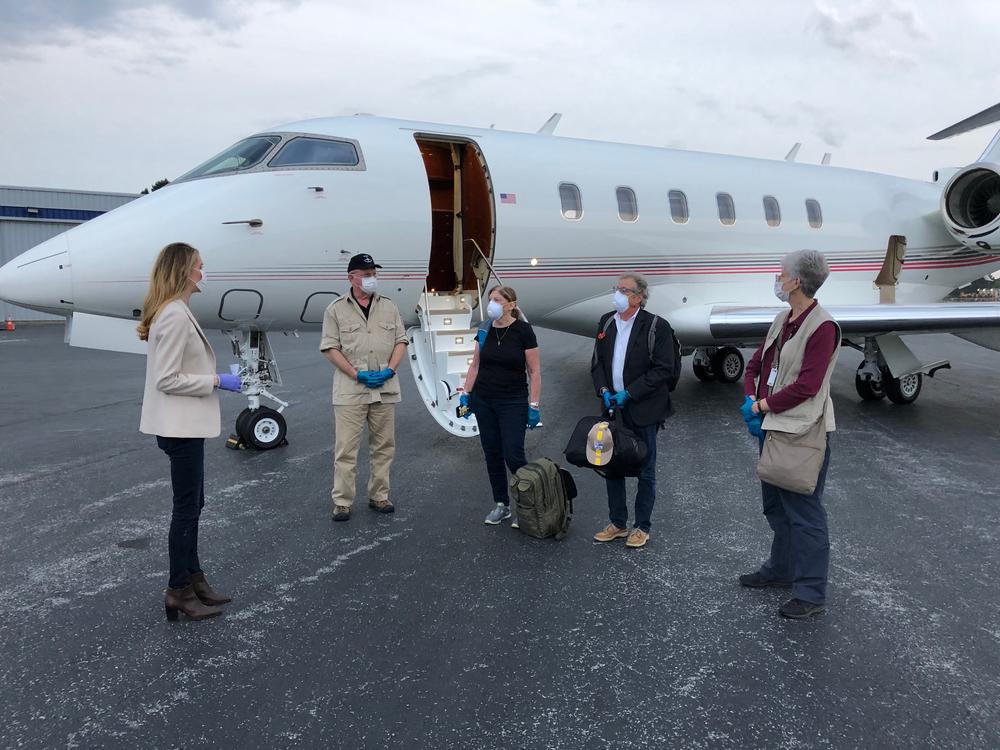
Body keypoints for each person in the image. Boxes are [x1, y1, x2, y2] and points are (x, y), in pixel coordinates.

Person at [138, 242, 241, 622]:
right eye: (199, 266)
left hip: (182, 425)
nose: (203, 271)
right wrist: (217, 379)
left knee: (194, 505)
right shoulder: (175, 315)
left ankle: (195, 580)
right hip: (178, 426)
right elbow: (167, 378)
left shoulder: (175, 311)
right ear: (184, 271)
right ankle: (178, 590)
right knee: (186, 509)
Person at [739, 249, 841, 620]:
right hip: (773, 429)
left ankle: (811, 592)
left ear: (797, 281)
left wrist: (762, 407)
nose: (777, 279)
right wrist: (751, 396)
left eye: (781, 274)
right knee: (776, 507)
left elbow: (809, 386)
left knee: (804, 512)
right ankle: (781, 570)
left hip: (802, 433)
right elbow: (756, 364)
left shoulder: (823, 327)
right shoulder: (784, 319)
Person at [590, 273, 676, 549]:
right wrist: (604, 391)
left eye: (625, 290)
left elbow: (664, 368)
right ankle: (617, 523)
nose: (618, 294)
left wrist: (630, 393)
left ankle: (642, 526)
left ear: (639, 297)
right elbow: (597, 363)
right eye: (617, 289)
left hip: (643, 410)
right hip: (613, 410)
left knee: (645, 469)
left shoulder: (656, 327)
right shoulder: (606, 322)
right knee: (611, 466)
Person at [320, 253, 408, 522]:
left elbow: (401, 341)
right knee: (346, 449)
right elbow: (330, 348)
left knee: (384, 447)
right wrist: (357, 375)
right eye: (367, 274)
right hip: (351, 390)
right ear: (352, 278)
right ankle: (342, 502)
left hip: (385, 387)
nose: (372, 278)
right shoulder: (335, 309)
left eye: (374, 273)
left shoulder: (389, 307)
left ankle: (379, 496)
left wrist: (390, 370)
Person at [459, 285, 541, 527]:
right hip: (484, 400)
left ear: (511, 305)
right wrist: (466, 394)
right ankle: (501, 505)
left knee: (514, 454)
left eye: (496, 300)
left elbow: (535, 372)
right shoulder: (484, 329)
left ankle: (528, 505)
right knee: (492, 453)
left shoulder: (523, 331)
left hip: (512, 401)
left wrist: (534, 405)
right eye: (490, 299)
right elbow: (475, 365)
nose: (491, 304)